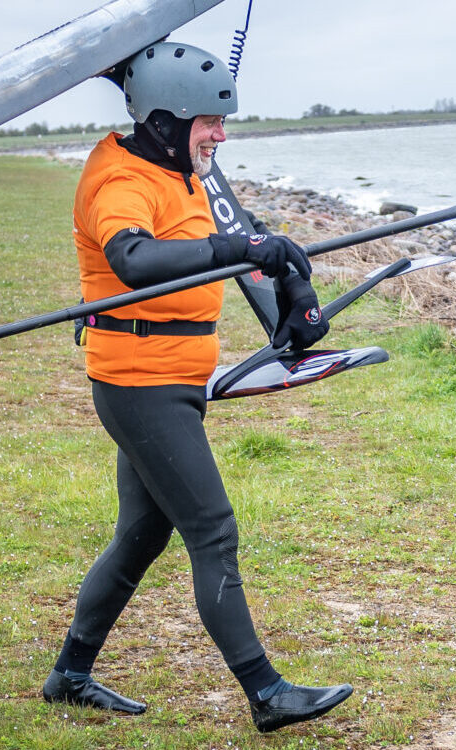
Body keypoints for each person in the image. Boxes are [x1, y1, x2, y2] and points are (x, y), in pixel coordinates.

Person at [39, 40, 349, 734]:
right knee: (212, 529)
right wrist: (237, 249)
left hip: (178, 377)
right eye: (210, 122)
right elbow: (134, 258)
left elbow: (235, 235)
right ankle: (266, 693)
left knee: (141, 535)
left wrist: (290, 283)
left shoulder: (181, 169)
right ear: (164, 121)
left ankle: (70, 674)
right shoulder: (119, 179)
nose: (220, 136)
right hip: (140, 382)